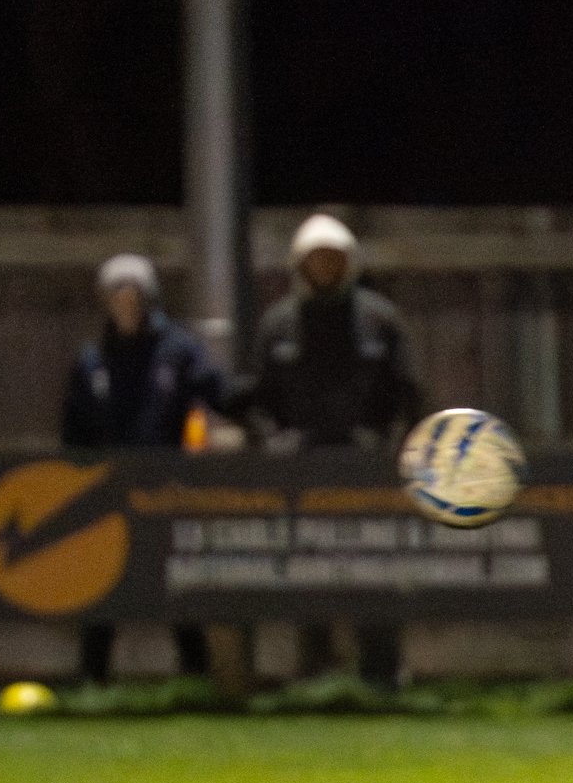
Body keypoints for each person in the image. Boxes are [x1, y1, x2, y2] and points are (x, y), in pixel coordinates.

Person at [242, 214, 422, 687]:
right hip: (302, 472)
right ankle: (315, 676)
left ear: (349, 263)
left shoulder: (380, 320)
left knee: (376, 572)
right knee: (307, 571)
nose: (324, 267)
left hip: (368, 468)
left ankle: (382, 677)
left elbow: (410, 395)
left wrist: (397, 450)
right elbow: (256, 401)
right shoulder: (278, 324)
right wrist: (275, 444)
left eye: (333, 259)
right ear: (299, 264)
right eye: (314, 259)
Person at [61, 253, 225, 685]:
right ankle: (92, 683)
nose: (125, 302)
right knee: (101, 590)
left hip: (165, 488)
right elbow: (73, 428)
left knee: (178, 590)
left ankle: (196, 682)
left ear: (149, 298)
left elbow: (219, 394)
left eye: (133, 294)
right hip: (107, 488)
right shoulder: (93, 359)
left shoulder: (177, 350)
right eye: (117, 294)